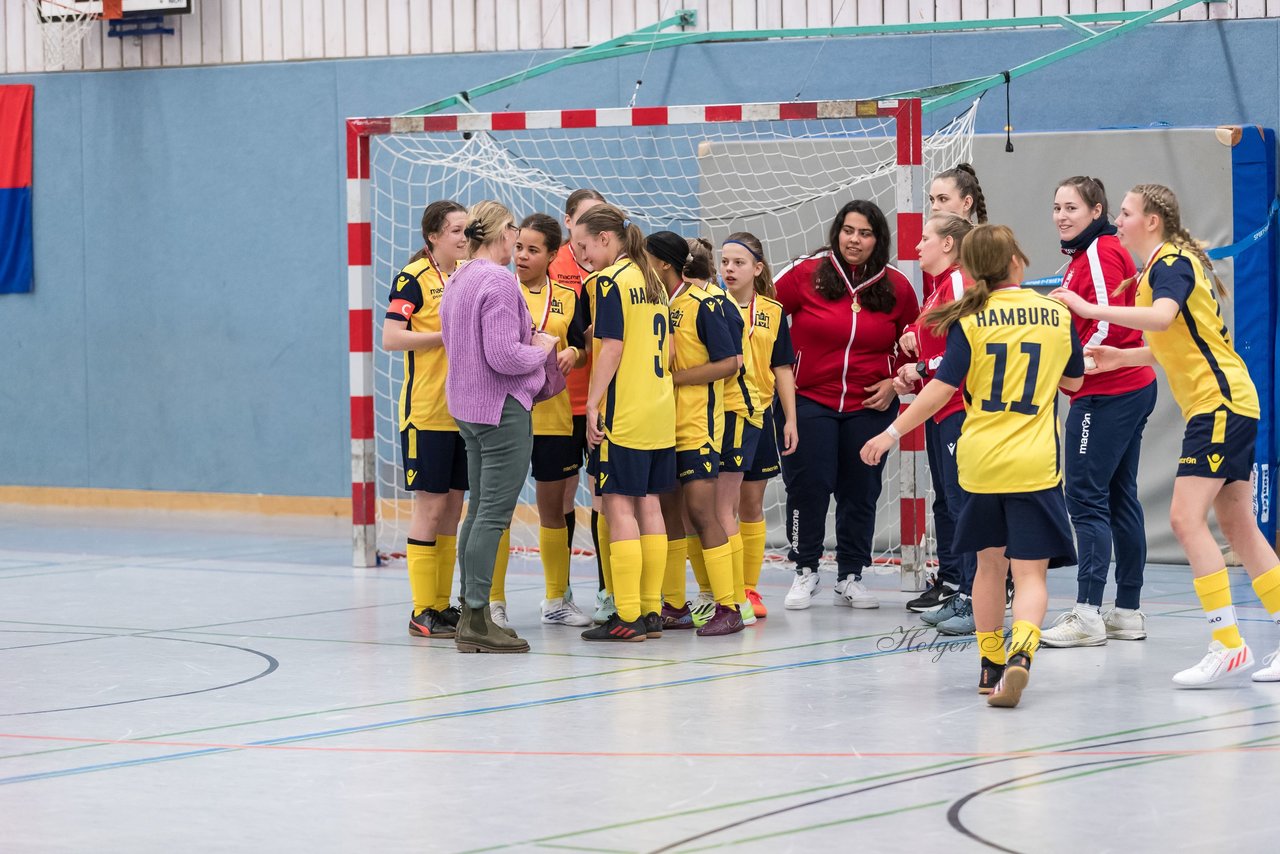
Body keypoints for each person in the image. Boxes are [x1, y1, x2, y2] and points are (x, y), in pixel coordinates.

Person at [1051, 184, 1280, 686]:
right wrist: (1123, 356)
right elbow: (1169, 345)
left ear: (1151, 221)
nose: (1119, 221)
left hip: (1220, 406)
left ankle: (1227, 643)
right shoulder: (1155, 272)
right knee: (1239, 527)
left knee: (1183, 518)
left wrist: (1091, 312)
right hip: (1228, 404)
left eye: (1127, 213)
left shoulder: (1169, 264)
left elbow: (1163, 319)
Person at [864, 224, 1084, 709]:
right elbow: (1072, 384)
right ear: (1016, 261)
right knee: (1030, 576)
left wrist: (890, 433)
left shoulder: (970, 318)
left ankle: (988, 665)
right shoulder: (1056, 313)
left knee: (988, 566)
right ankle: (1021, 656)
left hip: (980, 460)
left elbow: (939, 390)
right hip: (1036, 463)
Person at [774, 200, 919, 612]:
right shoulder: (806, 274)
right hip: (808, 402)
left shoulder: (897, 287)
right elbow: (762, 316)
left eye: (866, 233)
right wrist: (777, 371)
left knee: (861, 491)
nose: (855, 240)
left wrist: (894, 384)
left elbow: (915, 341)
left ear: (878, 240)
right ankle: (805, 569)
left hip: (869, 407)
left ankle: (851, 575)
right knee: (808, 486)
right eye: (849, 231)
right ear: (837, 231)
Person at [1039, 176, 1158, 648]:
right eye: (1056, 207)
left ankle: (1087, 613)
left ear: (1096, 210)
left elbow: (1107, 322)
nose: (1062, 216)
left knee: (1086, 497)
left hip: (1106, 392)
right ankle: (1127, 611)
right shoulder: (1088, 254)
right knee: (1118, 497)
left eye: (1071, 207)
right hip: (1122, 390)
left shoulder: (1100, 252)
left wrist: (1071, 369)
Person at [440, 200, 560, 654]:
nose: (518, 240)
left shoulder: (458, 278)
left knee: (477, 512)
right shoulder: (498, 281)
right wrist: (543, 348)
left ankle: (472, 612)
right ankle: (475, 616)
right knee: (492, 514)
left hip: (467, 408)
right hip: (500, 408)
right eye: (514, 230)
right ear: (502, 232)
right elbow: (505, 356)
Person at [572, 204, 677, 642]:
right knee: (650, 503)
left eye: (583, 246)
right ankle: (651, 613)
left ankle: (627, 616)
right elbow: (669, 354)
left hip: (626, 412)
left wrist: (593, 403)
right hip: (659, 409)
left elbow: (610, 347)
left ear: (604, 238)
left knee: (618, 506)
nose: (581, 257)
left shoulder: (611, 282)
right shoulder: (652, 280)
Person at [490, 213, 591, 628]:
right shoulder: (498, 290)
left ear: (552, 254)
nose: (522, 256)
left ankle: (556, 599)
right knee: (497, 509)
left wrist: (575, 354)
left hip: (553, 416)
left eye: (533, 250)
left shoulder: (569, 296)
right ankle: (492, 601)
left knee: (553, 510)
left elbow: (585, 345)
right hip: (504, 414)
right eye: (518, 248)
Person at [645, 231, 744, 636]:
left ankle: (729, 606)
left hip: (698, 427)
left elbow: (730, 364)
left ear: (664, 264)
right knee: (671, 515)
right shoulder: (659, 305)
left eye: (646, 259)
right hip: (662, 426)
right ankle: (674, 604)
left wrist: (676, 378)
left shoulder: (706, 303)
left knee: (703, 513)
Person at [382, 199, 469, 639]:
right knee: (431, 507)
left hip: (463, 414)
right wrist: (443, 335)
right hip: (426, 413)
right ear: (433, 236)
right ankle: (421, 610)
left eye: (466, 230)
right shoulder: (413, 278)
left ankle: (441, 605)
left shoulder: (467, 276)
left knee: (453, 509)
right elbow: (391, 337)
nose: (462, 237)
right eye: (455, 230)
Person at [894, 214, 978, 634]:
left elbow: (972, 349)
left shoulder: (960, 282)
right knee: (949, 500)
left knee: (965, 503)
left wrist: (924, 366)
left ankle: (974, 597)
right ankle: (961, 589)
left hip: (960, 408)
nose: (917, 245)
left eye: (925, 238)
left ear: (948, 244)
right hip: (939, 410)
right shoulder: (938, 291)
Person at [721, 232, 798, 619]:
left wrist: (791, 420)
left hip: (761, 417)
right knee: (725, 505)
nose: (729, 269)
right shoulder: (713, 306)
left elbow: (782, 368)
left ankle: (750, 589)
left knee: (751, 505)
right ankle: (727, 588)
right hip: (723, 417)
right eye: (725, 262)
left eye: (738, 263)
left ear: (757, 269)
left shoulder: (772, 310)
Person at [549, 189, 610, 621]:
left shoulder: (616, 269)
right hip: (559, 404)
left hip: (607, 404)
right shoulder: (553, 265)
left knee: (608, 498)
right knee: (562, 499)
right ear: (569, 222)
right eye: (586, 218)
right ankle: (559, 595)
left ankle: (611, 593)